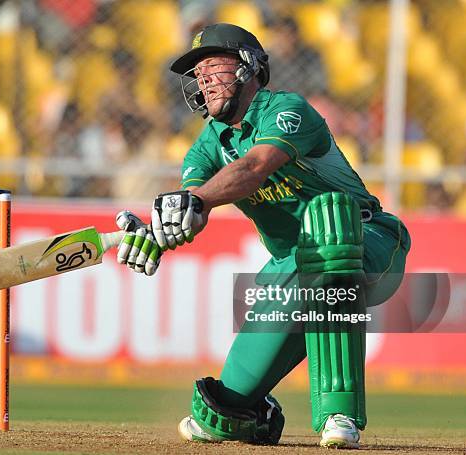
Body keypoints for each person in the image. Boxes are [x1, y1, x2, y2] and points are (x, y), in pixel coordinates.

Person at [114, 23, 411, 448]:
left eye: (213, 67)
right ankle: (260, 416)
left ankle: (338, 414)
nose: (203, 81)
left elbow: (253, 169)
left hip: (368, 242)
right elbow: (194, 210)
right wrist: (157, 230)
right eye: (197, 74)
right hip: (289, 271)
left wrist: (192, 199)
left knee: (326, 227)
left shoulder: (288, 110)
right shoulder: (205, 147)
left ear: (249, 67)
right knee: (218, 415)